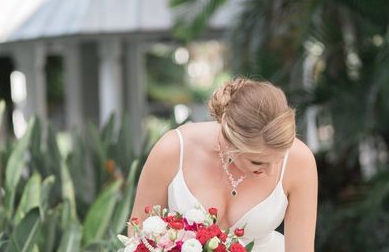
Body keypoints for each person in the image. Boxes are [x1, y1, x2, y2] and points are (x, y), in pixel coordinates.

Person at [129, 77, 319, 251]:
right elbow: (137, 237)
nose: (271, 171)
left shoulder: (299, 161)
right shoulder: (172, 150)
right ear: (230, 141)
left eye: (277, 160)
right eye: (257, 161)